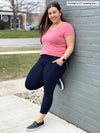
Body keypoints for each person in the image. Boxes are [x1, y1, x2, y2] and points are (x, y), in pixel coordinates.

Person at [25, 1, 75, 132]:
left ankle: (39, 120)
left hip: (55, 62)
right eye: (49, 13)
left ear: (60, 12)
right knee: (29, 84)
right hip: (43, 59)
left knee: (48, 91)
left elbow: (70, 46)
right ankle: (55, 79)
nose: (52, 15)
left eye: (54, 12)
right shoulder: (49, 27)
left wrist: (62, 59)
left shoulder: (66, 27)